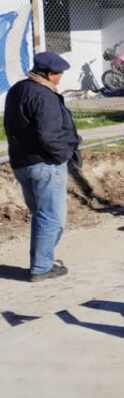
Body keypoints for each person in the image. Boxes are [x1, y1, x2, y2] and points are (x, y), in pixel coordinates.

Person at [4, 52, 81, 281]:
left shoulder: (18, 89)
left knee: (41, 214)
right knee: (52, 218)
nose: (60, 78)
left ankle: (43, 259)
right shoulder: (44, 96)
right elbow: (49, 136)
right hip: (45, 164)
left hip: (22, 162)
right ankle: (42, 266)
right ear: (49, 74)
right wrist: (65, 155)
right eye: (59, 74)